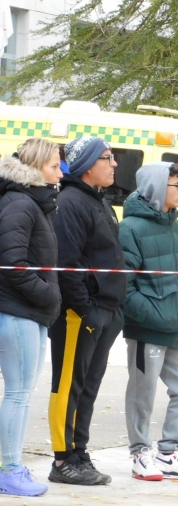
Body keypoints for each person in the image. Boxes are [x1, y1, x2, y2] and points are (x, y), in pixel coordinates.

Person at [119, 162, 178, 482]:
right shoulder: (129, 228)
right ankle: (140, 453)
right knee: (143, 392)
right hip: (147, 328)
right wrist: (151, 315)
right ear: (157, 186)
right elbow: (124, 287)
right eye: (177, 185)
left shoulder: (175, 225)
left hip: (176, 326)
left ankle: (168, 453)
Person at [48, 136, 126, 485]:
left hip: (106, 311)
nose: (114, 165)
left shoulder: (100, 203)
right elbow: (67, 265)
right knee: (69, 385)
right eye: (107, 158)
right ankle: (63, 459)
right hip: (79, 315)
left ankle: (80, 450)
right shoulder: (70, 203)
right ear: (87, 165)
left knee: (89, 387)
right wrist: (86, 310)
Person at [0, 140, 63, 496]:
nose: (60, 173)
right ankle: (9, 469)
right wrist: (48, 294)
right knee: (18, 394)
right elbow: (13, 264)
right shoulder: (20, 204)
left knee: (21, 394)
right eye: (55, 166)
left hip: (31, 312)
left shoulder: (33, 204)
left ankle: (12, 466)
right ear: (37, 166)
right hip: (18, 311)